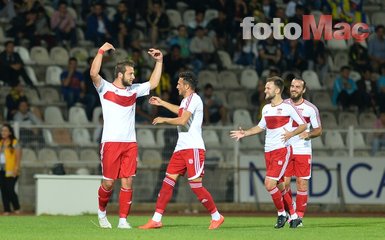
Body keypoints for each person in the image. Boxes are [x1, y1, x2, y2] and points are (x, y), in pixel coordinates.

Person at [90, 42, 163, 229]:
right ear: (120, 74)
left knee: (128, 181)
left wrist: (159, 61)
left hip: (130, 143)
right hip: (111, 143)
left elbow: (154, 83)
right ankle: (101, 213)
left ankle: (123, 220)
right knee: (108, 183)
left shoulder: (133, 90)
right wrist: (100, 52)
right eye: (131, 73)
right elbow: (93, 74)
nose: (134, 76)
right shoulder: (105, 88)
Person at [139, 72, 224, 230]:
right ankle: (156, 219)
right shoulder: (186, 100)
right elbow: (181, 111)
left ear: (187, 86)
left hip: (193, 148)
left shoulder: (195, 98)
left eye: (179, 83)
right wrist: (162, 103)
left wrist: (164, 119)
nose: (176, 86)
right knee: (167, 182)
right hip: (181, 148)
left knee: (195, 185)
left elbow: (183, 120)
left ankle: (217, 216)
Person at [230, 76, 307, 228]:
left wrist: (291, 134)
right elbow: (260, 127)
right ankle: (293, 215)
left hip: (281, 150)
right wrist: (245, 133)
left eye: (268, 88)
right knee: (279, 185)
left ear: (277, 90)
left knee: (269, 183)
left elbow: (303, 125)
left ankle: (281, 213)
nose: (265, 90)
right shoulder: (266, 108)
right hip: (268, 151)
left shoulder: (288, 107)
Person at [282, 78, 322, 227]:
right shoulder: (283, 105)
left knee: (301, 183)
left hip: (303, 150)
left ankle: (298, 217)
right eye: (292, 86)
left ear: (303, 90)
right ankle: (290, 210)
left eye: (298, 87)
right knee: (284, 184)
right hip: (285, 148)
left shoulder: (311, 108)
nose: (294, 89)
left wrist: (309, 134)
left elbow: (319, 130)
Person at [0, 123, 21, 215]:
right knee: (3, 190)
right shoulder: (0, 142)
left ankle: (16, 207)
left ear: (10, 132)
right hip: (1, 169)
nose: (3, 132)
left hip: (11, 170)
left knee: (10, 189)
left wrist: (16, 168)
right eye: (2, 131)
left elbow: (18, 156)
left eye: (5, 131)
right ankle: (7, 209)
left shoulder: (15, 142)